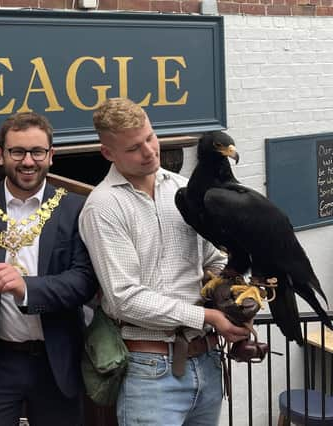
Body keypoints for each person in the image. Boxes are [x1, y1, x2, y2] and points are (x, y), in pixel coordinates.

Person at [78, 97, 251, 425]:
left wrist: (235, 296)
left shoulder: (184, 188)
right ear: (108, 153)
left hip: (208, 362)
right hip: (150, 370)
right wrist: (210, 316)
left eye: (150, 138)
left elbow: (214, 258)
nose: (148, 152)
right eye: (133, 148)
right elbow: (125, 299)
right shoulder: (104, 207)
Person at [0, 112, 98, 426]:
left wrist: (26, 288)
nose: (28, 161)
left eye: (37, 152)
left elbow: (84, 280)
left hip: (55, 360)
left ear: (51, 156)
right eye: (17, 151)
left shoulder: (75, 208)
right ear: (0, 154)